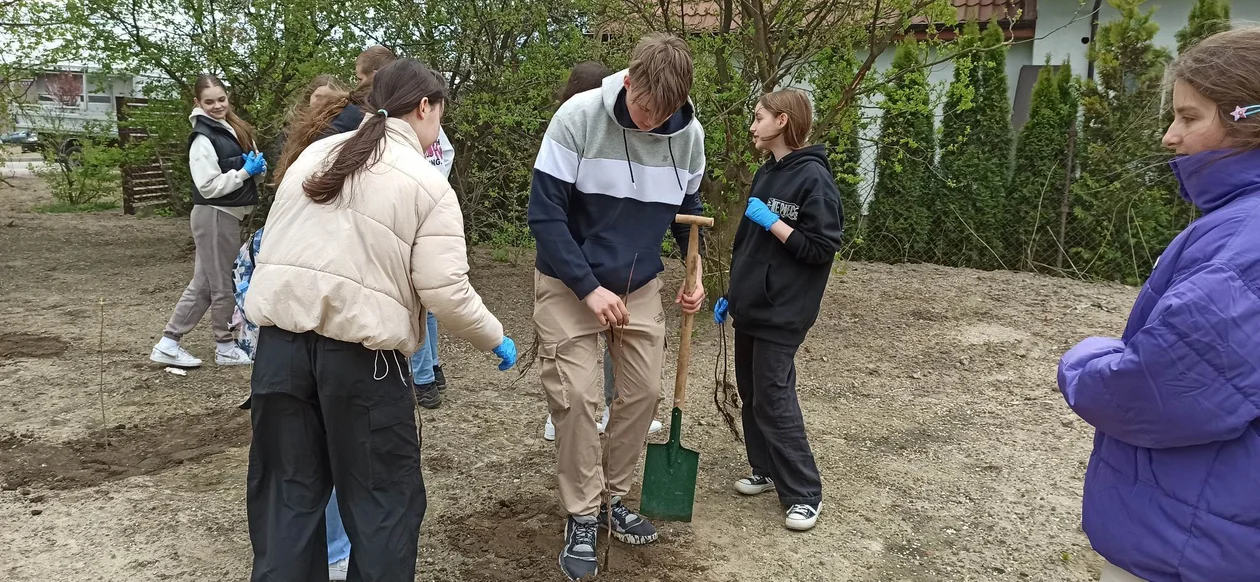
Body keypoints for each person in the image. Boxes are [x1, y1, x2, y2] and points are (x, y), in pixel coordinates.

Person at [244, 59, 518, 582]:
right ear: (424, 107)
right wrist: (497, 337)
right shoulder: (427, 183)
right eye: (440, 113)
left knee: (287, 501)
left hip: (278, 353)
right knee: (382, 507)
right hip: (362, 366)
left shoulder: (314, 156)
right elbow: (446, 293)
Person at [1057, 27, 1260, 582]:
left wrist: (1084, 360)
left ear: (1248, 118)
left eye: (1190, 117)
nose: (1170, 137)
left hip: (1194, 541)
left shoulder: (1243, 246)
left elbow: (1159, 387)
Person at [528, 34, 707, 580]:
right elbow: (545, 216)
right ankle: (583, 516)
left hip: (639, 285)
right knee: (579, 396)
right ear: (628, 83)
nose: (653, 122)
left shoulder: (689, 135)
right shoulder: (577, 118)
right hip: (567, 282)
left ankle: (616, 499)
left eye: (666, 112)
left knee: (644, 391)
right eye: (645, 108)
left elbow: (689, 211)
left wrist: (694, 271)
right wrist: (587, 287)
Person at [712, 89, 842, 533]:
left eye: (758, 117)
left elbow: (822, 247)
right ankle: (765, 469)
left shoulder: (813, 179)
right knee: (751, 390)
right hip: (753, 305)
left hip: (784, 310)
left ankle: (805, 492)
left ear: (783, 121)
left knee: (773, 394)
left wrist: (775, 222)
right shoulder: (767, 173)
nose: (752, 125)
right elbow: (749, 247)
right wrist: (733, 291)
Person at [541, 60, 663, 442]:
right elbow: (548, 215)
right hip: (572, 275)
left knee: (633, 378)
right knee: (575, 385)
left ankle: (610, 412)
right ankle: (571, 416)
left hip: (626, 276)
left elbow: (677, 206)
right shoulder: (571, 125)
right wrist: (584, 282)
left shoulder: (660, 138)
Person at [149, 74, 265, 369]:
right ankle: (224, 346)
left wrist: (256, 170)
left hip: (224, 216)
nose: (217, 106)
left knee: (203, 284)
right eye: (209, 101)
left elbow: (242, 170)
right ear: (197, 103)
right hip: (215, 215)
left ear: (228, 97)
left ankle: (168, 343)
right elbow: (208, 186)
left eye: (221, 99)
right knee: (222, 283)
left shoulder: (230, 129)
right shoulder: (203, 138)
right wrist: (244, 174)